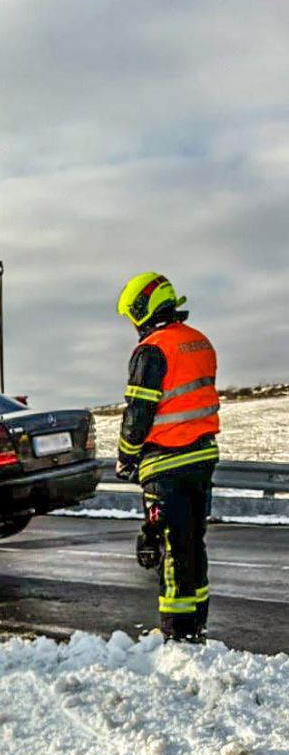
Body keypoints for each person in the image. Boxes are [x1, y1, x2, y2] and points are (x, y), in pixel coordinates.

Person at [115, 272, 220, 643]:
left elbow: (138, 413)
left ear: (143, 308)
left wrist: (126, 457)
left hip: (166, 461)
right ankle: (197, 622)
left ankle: (178, 633)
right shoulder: (199, 342)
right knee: (193, 542)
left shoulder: (152, 350)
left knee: (172, 547)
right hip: (202, 456)